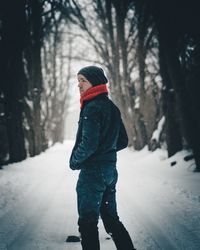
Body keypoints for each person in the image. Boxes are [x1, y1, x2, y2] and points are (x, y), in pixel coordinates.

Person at [69, 66, 136, 250]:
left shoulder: (91, 108)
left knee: (87, 223)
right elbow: (122, 140)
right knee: (111, 219)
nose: (79, 84)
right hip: (109, 172)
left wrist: (74, 161)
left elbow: (89, 144)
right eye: (78, 80)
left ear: (95, 81)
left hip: (92, 173)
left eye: (83, 80)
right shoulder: (111, 107)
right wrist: (107, 152)